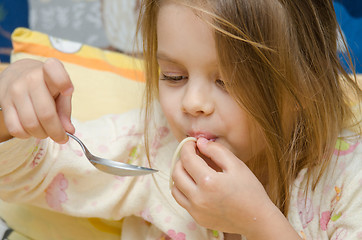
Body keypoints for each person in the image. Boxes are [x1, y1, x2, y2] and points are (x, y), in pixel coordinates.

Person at [0, 0, 361, 239]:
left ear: (306, 81)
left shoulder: (348, 180)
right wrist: (12, 109)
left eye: (228, 81)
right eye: (174, 76)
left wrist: (257, 222)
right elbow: (27, 174)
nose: (193, 103)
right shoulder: (150, 147)